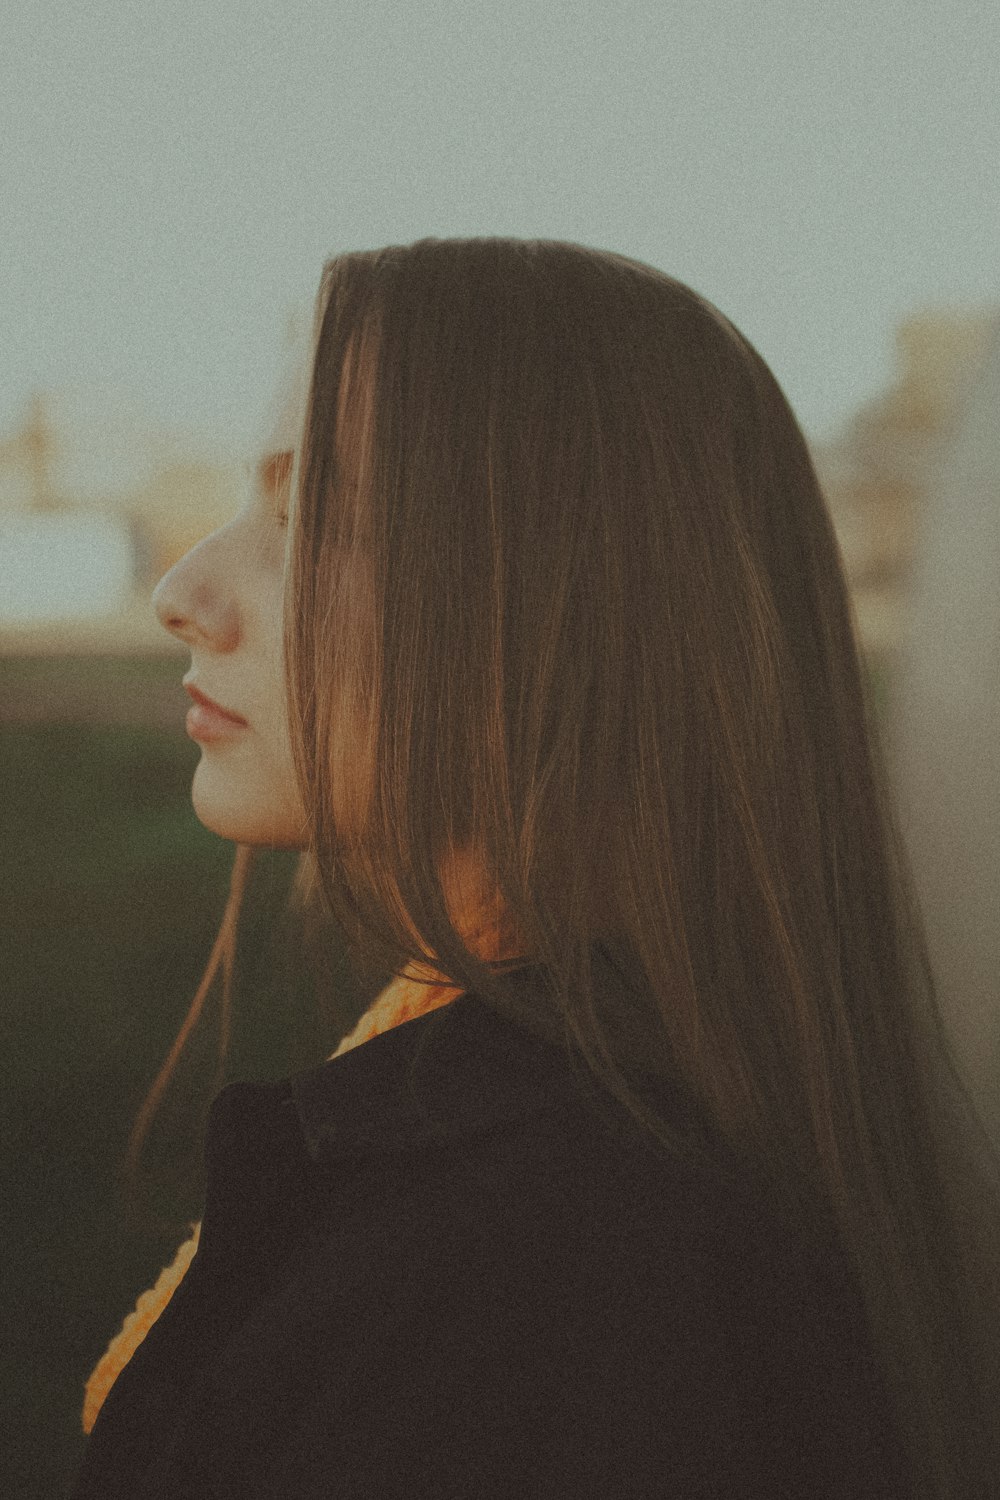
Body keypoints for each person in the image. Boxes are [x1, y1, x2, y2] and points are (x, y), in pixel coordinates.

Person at [70, 237, 1000, 1498]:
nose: (185, 590)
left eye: (315, 519)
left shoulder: (554, 1266)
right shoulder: (567, 1153)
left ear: (567, 606)